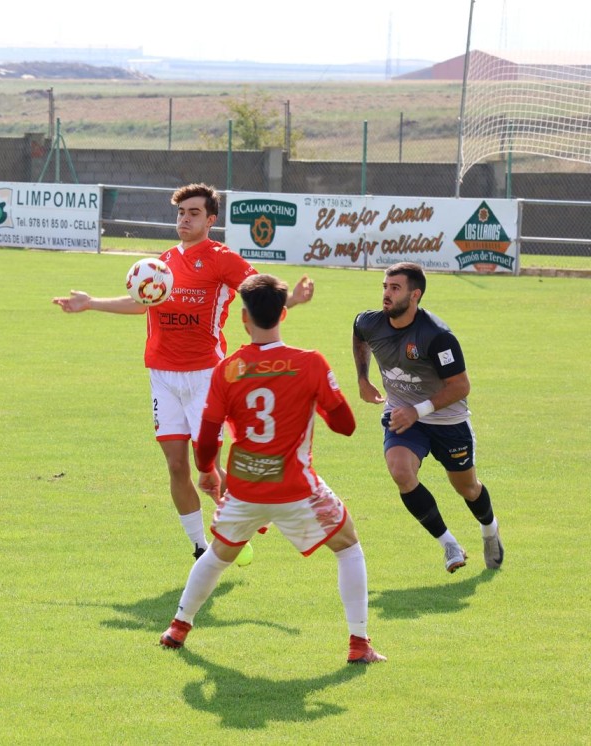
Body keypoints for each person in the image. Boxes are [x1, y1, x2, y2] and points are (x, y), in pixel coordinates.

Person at [52, 183, 313, 560]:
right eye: (180, 213)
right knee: (176, 465)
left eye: (193, 213)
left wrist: (292, 299)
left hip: (206, 377)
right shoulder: (163, 262)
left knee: (208, 471)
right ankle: (199, 547)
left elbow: (259, 294)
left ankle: (246, 506)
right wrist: (90, 302)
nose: (184, 219)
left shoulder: (222, 258)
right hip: (162, 376)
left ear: (210, 220)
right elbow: (141, 302)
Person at [159, 274, 385, 664]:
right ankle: (359, 644)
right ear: (283, 313)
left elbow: (209, 434)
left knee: (216, 556)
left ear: (244, 318)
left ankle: (178, 627)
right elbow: (345, 426)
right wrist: (319, 397)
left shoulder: (228, 369)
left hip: (245, 489)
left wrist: (207, 470)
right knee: (348, 547)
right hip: (297, 488)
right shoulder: (310, 362)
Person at [352, 261, 503, 573]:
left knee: (467, 489)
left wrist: (417, 410)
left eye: (395, 288)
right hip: (402, 416)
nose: (386, 294)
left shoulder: (436, 336)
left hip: (448, 422)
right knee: (400, 472)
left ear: (415, 295)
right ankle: (449, 543)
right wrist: (362, 378)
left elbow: (461, 386)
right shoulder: (370, 322)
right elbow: (359, 333)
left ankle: (489, 530)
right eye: (384, 286)